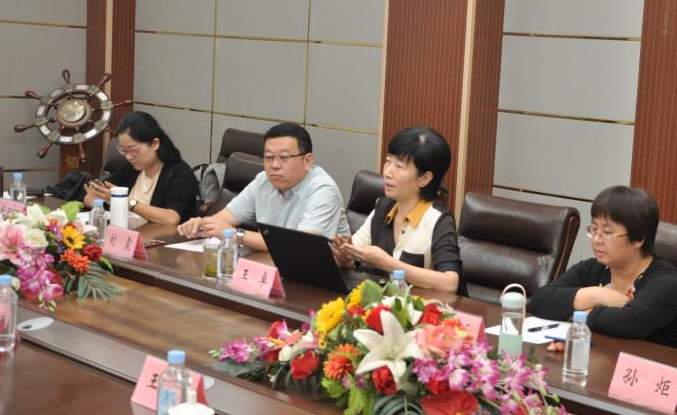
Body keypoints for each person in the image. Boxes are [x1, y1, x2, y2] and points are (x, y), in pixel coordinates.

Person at [529, 186, 677, 350]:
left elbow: (627, 323)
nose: (596, 240)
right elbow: (540, 301)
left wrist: (577, 312)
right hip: (603, 357)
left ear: (638, 239)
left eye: (607, 232)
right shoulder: (594, 268)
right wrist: (599, 295)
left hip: (652, 364)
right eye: (594, 229)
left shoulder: (665, 281)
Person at [177, 123, 349, 252]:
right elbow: (223, 220)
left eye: (284, 157)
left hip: (318, 279)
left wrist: (236, 234)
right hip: (270, 268)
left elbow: (300, 247)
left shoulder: (323, 190)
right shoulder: (263, 180)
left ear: (307, 160)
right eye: (268, 157)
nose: (274, 165)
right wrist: (201, 225)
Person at [333, 127, 463, 294]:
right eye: (388, 161)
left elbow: (450, 283)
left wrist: (388, 264)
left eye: (400, 166)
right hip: (382, 304)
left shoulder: (438, 220)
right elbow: (356, 252)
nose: (387, 172)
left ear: (425, 178)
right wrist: (345, 257)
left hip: (420, 307)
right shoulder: (382, 207)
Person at [84, 111, 198, 225]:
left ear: (155, 144)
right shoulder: (132, 168)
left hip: (163, 236)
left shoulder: (180, 173)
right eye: (123, 150)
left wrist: (126, 202)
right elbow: (93, 198)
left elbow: (171, 218)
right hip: (127, 233)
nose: (129, 157)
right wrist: (97, 197)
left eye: (134, 150)